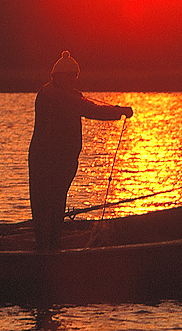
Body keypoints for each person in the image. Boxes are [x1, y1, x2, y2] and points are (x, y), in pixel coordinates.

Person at [28, 51, 133, 252]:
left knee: (55, 201)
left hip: (61, 160)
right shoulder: (55, 95)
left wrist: (116, 110)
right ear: (58, 76)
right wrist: (119, 111)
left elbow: (83, 104)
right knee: (47, 203)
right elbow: (91, 110)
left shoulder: (56, 94)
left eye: (75, 77)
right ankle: (47, 247)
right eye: (70, 76)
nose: (74, 80)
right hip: (48, 160)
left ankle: (51, 244)